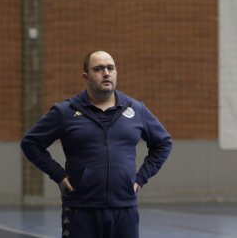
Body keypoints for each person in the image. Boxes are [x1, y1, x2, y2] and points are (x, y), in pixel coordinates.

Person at [21, 50, 173, 238]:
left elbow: (164, 143)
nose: (106, 73)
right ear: (86, 77)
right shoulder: (65, 112)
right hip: (81, 211)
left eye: (111, 68)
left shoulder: (135, 109)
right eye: (99, 69)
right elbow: (30, 143)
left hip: (124, 210)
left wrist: (141, 178)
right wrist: (58, 175)